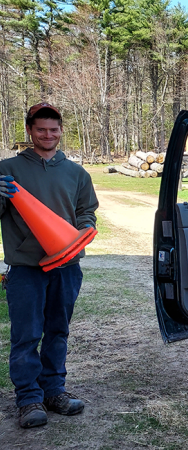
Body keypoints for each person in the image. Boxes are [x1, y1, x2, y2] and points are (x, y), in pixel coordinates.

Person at [0, 103, 99, 428]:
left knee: (58, 330)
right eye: (41, 129)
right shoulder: (8, 169)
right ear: (30, 131)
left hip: (67, 266)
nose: (48, 135)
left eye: (53, 129)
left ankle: (54, 390)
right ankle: (29, 399)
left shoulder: (76, 173)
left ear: (60, 132)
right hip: (26, 268)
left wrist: (84, 230)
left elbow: (87, 211)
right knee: (26, 335)